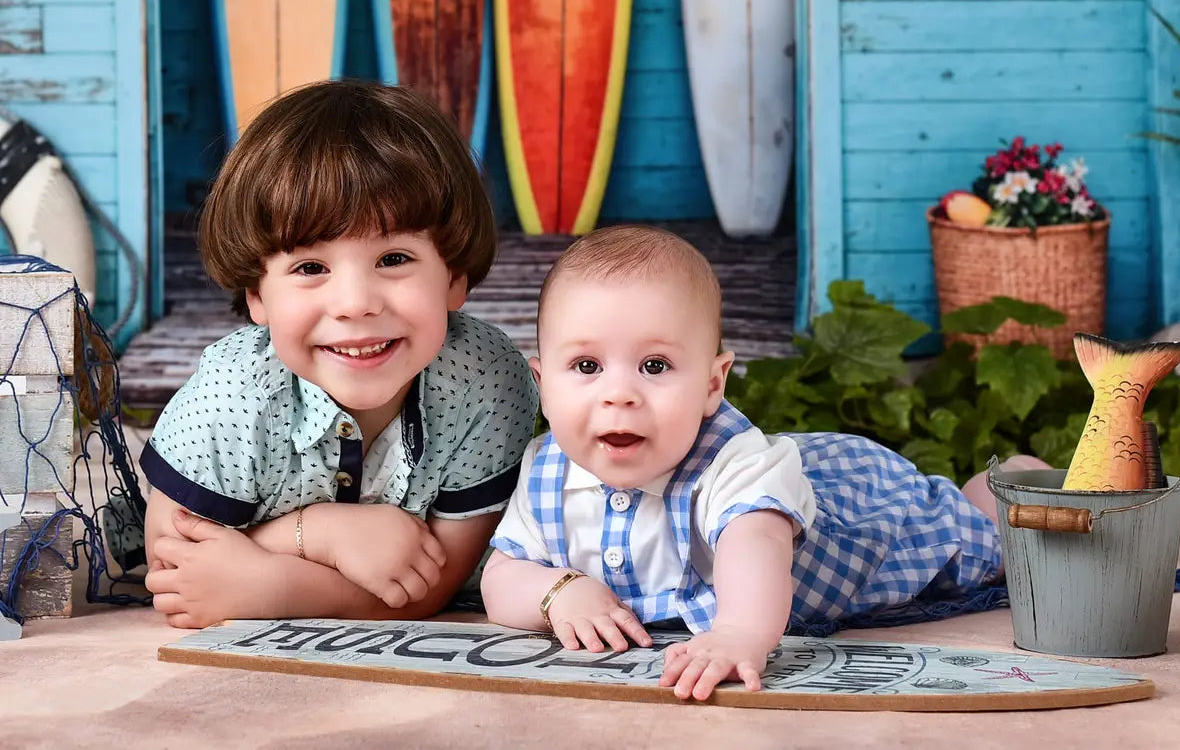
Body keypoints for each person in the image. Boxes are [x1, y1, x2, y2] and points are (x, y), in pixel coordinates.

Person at [481, 225, 1041, 701]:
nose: (619, 395)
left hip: (863, 520)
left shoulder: (733, 466)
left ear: (712, 385)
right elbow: (501, 578)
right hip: (794, 487)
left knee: (979, 543)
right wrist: (556, 591)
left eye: (654, 366)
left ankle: (1003, 484)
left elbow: (756, 547)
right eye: (586, 366)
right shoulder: (547, 471)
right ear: (543, 387)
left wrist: (739, 632)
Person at [142, 80, 538, 629]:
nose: (355, 304)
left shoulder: (486, 380)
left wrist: (273, 586)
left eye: (393, 258)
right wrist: (322, 533)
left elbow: (436, 583)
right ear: (258, 295)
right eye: (311, 268)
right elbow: (176, 570)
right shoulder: (234, 398)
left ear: (454, 277)